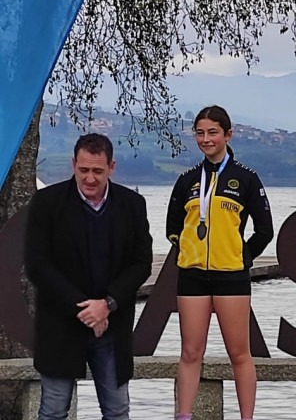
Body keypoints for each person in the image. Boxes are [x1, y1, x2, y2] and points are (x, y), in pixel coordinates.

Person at [24, 133, 152, 420]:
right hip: (60, 323)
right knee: (54, 410)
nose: (90, 178)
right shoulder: (47, 202)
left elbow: (141, 263)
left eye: (97, 171)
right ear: (73, 164)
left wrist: (106, 304)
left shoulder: (132, 205)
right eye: (83, 170)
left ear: (112, 167)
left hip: (112, 324)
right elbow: (37, 265)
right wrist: (85, 308)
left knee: (117, 411)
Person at [166, 105, 274, 420]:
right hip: (193, 278)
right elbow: (172, 229)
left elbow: (265, 230)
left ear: (228, 135)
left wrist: (241, 256)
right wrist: (188, 252)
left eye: (213, 132)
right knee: (190, 353)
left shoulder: (247, 179)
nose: (206, 139)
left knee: (240, 354)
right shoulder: (187, 181)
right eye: (200, 132)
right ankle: (183, 416)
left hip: (232, 278)